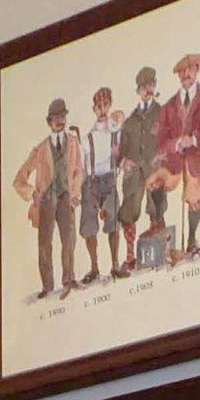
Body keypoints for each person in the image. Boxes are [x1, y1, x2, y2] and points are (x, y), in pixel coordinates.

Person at [12, 96, 80, 298]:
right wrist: (32, 193)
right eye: (55, 118)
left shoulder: (73, 143)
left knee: (69, 239)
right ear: (49, 122)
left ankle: (68, 279)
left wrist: (75, 193)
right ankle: (47, 286)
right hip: (47, 200)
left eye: (62, 117)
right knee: (44, 243)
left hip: (66, 197)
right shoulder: (41, 149)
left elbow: (79, 171)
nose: (60, 121)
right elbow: (19, 179)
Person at [156, 51, 200, 255]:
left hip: (198, 156)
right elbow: (161, 142)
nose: (185, 74)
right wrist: (176, 144)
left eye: (189, 69)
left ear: (197, 70)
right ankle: (163, 237)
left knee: (194, 196)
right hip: (174, 160)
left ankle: (191, 239)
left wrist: (194, 139)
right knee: (154, 181)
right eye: (181, 71)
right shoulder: (168, 106)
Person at [116, 65, 161, 274]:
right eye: (143, 87)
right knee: (128, 210)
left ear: (155, 85)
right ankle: (130, 256)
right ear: (138, 91)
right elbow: (120, 152)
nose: (148, 89)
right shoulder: (129, 122)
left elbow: (170, 138)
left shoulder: (162, 113)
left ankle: (158, 253)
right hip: (133, 175)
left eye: (150, 84)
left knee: (157, 207)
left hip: (154, 169)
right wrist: (122, 162)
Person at [79, 85, 123, 282]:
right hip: (91, 183)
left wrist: (119, 155)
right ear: (94, 109)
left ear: (110, 104)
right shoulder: (87, 138)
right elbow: (82, 167)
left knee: (114, 220)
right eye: (99, 106)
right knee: (89, 224)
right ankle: (94, 268)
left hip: (110, 181)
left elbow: (122, 155)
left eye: (106, 104)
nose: (103, 109)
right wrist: (85, 188)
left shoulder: (116, 133)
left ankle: (115, 265)